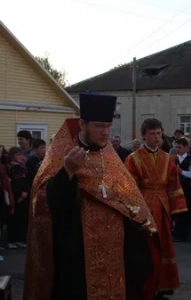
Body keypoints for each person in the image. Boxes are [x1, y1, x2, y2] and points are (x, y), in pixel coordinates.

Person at [24, 93, 160, 300]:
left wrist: (138, 220)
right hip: (78, 249)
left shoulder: (109, 155)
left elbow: (126, 191)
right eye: (98, 126)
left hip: (114, 249)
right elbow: (42, 200)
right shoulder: (61, 152)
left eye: (108, 126)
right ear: (82, 124)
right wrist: (67, 172)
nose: (105, 132)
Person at [125, 118, 187, 299]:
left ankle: (161, 287)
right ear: (144, 135)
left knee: (163, 250)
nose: (156, 137)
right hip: (143, 209)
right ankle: (145, 289)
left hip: (163, 209)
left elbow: (174, 187)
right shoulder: (133, 158)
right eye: (152, 133)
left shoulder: (168, 159)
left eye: (159, 133)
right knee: (147, 251)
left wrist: (175, 215)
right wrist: (134, 214)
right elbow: (129, 188)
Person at [7, 147, 30, 249]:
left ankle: (21, 239)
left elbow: (28, 181)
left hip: (24, 197)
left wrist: (25, 192)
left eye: (21, 154)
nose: (20, 157)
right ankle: (12, 240)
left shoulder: (23, 168)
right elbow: (10, 184)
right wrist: (19, 194)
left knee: (23, 219)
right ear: (12, 156)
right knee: (13, 219)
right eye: (18, 154)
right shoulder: (8, 168)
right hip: (14, 197)